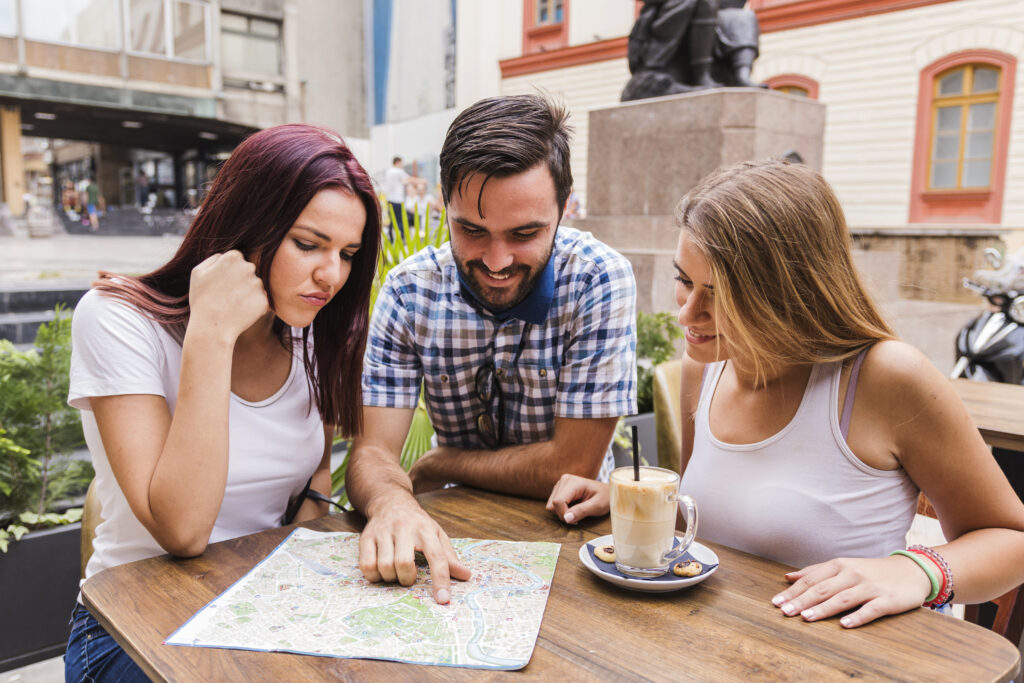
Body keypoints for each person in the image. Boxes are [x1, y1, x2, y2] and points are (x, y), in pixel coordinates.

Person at [547, 159, 1024, 628]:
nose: (687, 315)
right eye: (684, 281)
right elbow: (713, 525)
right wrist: (635, 501)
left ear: (791, 293)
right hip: (728, 644)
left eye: (720, 294)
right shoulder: (707, 367)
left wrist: (914, 570)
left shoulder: (883, 376)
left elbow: (1010, 538)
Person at [64, 123, 381, 681]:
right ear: (246, 222)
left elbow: (314, 485)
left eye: (348, 253)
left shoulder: (309, 332)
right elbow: (182, 530)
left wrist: (303, 601)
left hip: (266, 606)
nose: (331, 275)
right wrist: (212, 331)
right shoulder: (117, 320)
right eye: (307, 245)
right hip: (136, 625)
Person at [346, 94, 638, 604]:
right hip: (447, 534)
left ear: (564, 208)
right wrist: (392, 500)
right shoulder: (408, 290)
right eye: (471, 230)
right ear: (442, 204)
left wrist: (442, 463)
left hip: (580, 539)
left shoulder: (597, 277)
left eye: (525, 233)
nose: (497, 261)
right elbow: (372, 452)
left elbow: (569, 469)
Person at [383, 155, 411, 234]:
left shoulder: (389, 171)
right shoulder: (398, 171)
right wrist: (422, 181)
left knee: (392, 220)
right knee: (400, 220)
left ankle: (391, 238)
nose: (402, 165)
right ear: (397, 162)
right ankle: (401, 238)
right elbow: (408, 179)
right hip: (397, 201)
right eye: (401, 163)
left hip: (390, 200)